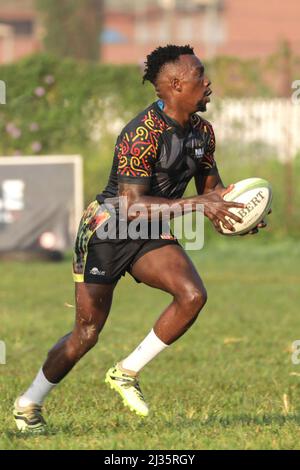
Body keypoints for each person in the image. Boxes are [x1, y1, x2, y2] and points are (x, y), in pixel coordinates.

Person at [13, 44, 267, 432]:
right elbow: (130, 206)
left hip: (150, 228)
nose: (208, 82)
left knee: (192, 295)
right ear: (176, 84)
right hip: (108, 229)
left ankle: (127, 371)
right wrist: (200, 205)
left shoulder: (203, 133)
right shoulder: (140, 134)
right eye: (200, 76)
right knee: (86, 333)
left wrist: (237, 216)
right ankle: (29, 403)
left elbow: (213, 194)